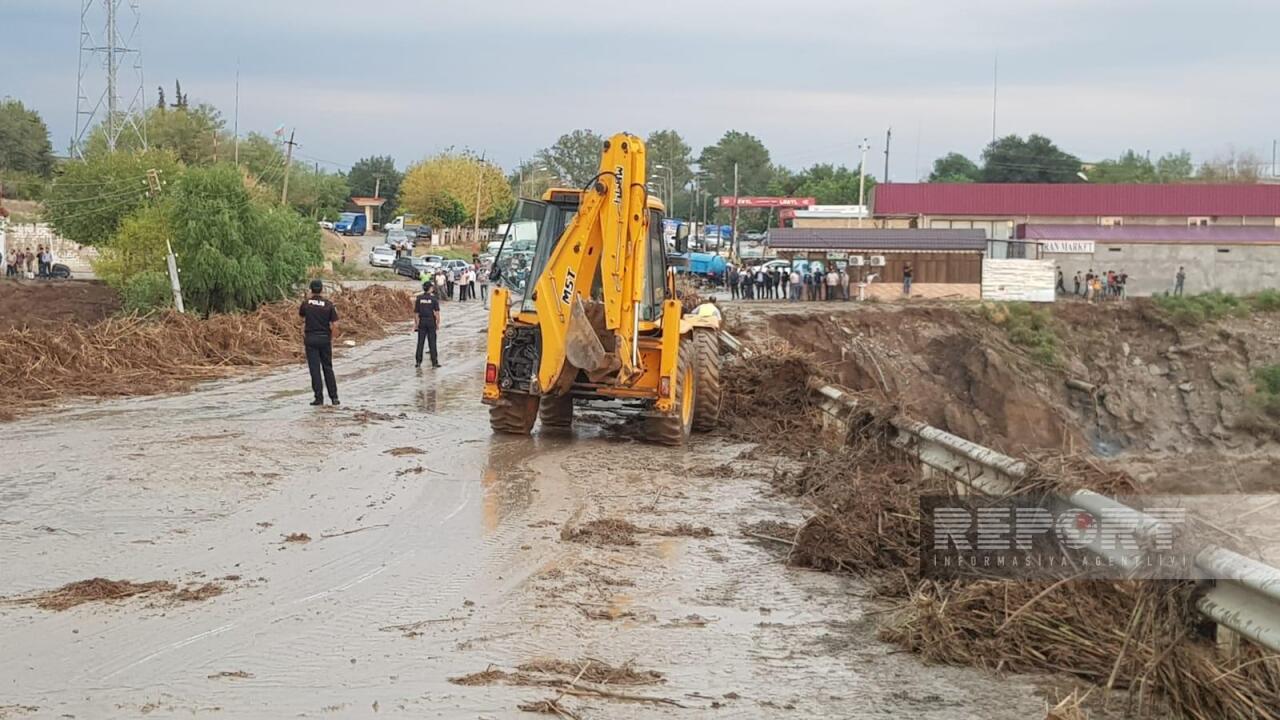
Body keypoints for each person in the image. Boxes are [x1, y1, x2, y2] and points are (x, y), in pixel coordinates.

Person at [299, 279, 340, 406]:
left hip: (311, 339)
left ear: (311, 290)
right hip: (324, 339)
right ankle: (334, 398)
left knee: (315, 370)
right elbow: (335, 324)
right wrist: (331, 338)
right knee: (328, 368)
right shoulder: (329, 305)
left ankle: (319, 398)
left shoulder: (306, 304)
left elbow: (301, 317)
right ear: (322, 289)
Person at [413, 281, 442, 368]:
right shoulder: (434, 299)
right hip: (431, 322)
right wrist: (437, 323)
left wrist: (417, 324)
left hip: (422, 321)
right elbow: (437, 313)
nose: (433, 288)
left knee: (420, 342)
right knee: (432, 342)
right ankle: (434, 362)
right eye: (432, 287)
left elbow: (416, 313)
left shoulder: (419, 298)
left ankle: (418, 362)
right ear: (430, 288)